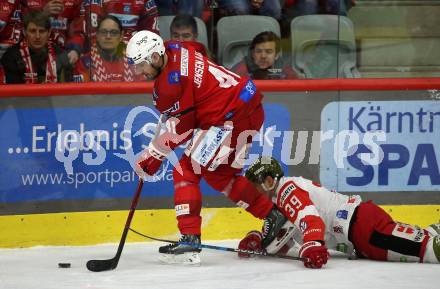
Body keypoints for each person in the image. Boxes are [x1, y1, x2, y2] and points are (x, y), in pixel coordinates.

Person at [126, 30, 286, 264]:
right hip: (249, 105)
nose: (138, 72)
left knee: (185, 170)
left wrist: (153, 155)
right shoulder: (176, 47)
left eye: (141, 65)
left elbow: (184, 127)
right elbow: (199, 48)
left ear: (155, 57)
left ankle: (190, 238)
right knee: (220, 176)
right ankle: (272, 214)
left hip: (229, 120)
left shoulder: (167, 88)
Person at [238, 156, 440, 268]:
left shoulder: (286, 191)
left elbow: (310, 219)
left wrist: (313, 244)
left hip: (363, 230)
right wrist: (259, 240)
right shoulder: (282, 198)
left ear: (268, 181)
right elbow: (285, 238)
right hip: (361, 226)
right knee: (426, 239)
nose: (254, 190)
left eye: (256, 184)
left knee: (430, 251)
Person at [0, 10, 72, 84]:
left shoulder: (61, 55)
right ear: (24, 32)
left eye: (42, 31)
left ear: (49, 32)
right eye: (33, 31)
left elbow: (68, 90)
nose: (37, 36)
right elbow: (12, 92)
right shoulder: (11, 57)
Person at [73, 15, 142, 82]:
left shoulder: (135, 62)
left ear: (121, 36)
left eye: (114, 32)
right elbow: (82, 92)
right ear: (97, 35)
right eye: (103, 32)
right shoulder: (85, 63)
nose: (108, 36)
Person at [21, 0, 85, 65]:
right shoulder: (26, 2)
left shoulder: (75, 2)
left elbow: (77, 31)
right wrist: (42, 13)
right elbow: (23, 26)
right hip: (33, 53)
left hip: (63, 53)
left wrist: (75, 50)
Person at [231, 31, 299, 80]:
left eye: (268, 52)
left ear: (276, 55)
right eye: (258, 51)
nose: (263, 56)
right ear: (253, 54)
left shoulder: (286, 72)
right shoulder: (239, 72)